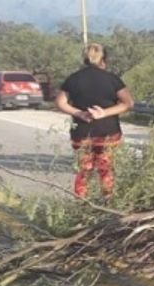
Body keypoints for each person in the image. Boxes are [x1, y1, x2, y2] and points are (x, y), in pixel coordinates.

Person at [55, 43, 134, 199]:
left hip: (82, 134)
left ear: (85, 59)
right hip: (108, 133)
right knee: (106, 169)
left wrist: (79, 113)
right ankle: (108, 201)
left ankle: (82, 204)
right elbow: (128, 103)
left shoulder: (73, 79)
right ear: (104, 59)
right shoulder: (112, 79)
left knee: (83, 171)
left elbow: (60, 102)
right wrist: (104, 113)